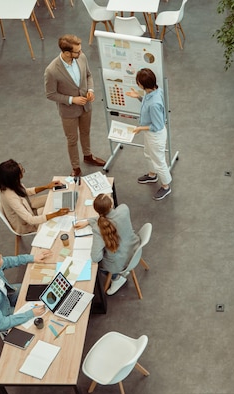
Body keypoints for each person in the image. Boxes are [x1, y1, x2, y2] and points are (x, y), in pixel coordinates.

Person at [44, 34, 106, 176]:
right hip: (68, 111)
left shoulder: (81, 57)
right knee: (72, 139)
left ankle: (88, 156)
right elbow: (50, 94)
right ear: (66, 53)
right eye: (77, 51)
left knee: (86, 132)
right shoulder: (51, 71)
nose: (81, 52)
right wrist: (72, 99)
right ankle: (76, 167)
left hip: (86, 105)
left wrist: (90, 90)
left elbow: (88, 75)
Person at [0, 246, 49, 332]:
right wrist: (30, 313)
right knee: (39, 316)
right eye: (0, 258)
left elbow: (8, 261)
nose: (3, 257)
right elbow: (1, 323)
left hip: (4, 296)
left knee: (37, 289)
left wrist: (32, 258)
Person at [76, 194, 140, 295]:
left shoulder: (98, 229)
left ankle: (116, 278)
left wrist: (90, 221)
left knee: (98, 266)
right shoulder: (124, 209)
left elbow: (96, 258)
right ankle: (121, 273)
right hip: (134, 249)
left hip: (118, 262)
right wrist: (89, 221)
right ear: (111, 205)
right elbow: (108, 219)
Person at [126, 68, 172, 200]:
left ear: (141, 84)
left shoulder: (154, 103)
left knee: (159, 161)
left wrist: (140, 129)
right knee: (148, 153)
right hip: (149, 133)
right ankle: (152, 175)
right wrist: (139, 97)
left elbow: (157, 126)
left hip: (155, 135)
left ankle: (166, 186)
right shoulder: (153, 91)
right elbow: (147, 104)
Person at [0, 159, 69, 235]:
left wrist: (46, 186)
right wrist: (56, 214)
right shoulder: (11, 198)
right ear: (13, 178)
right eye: (21, 171)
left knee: (55, 198)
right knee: (54, 209)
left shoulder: (10, 184)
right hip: (26, 223)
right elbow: (30, 220)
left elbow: (25, 191)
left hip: (28, 206)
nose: (22, 171)